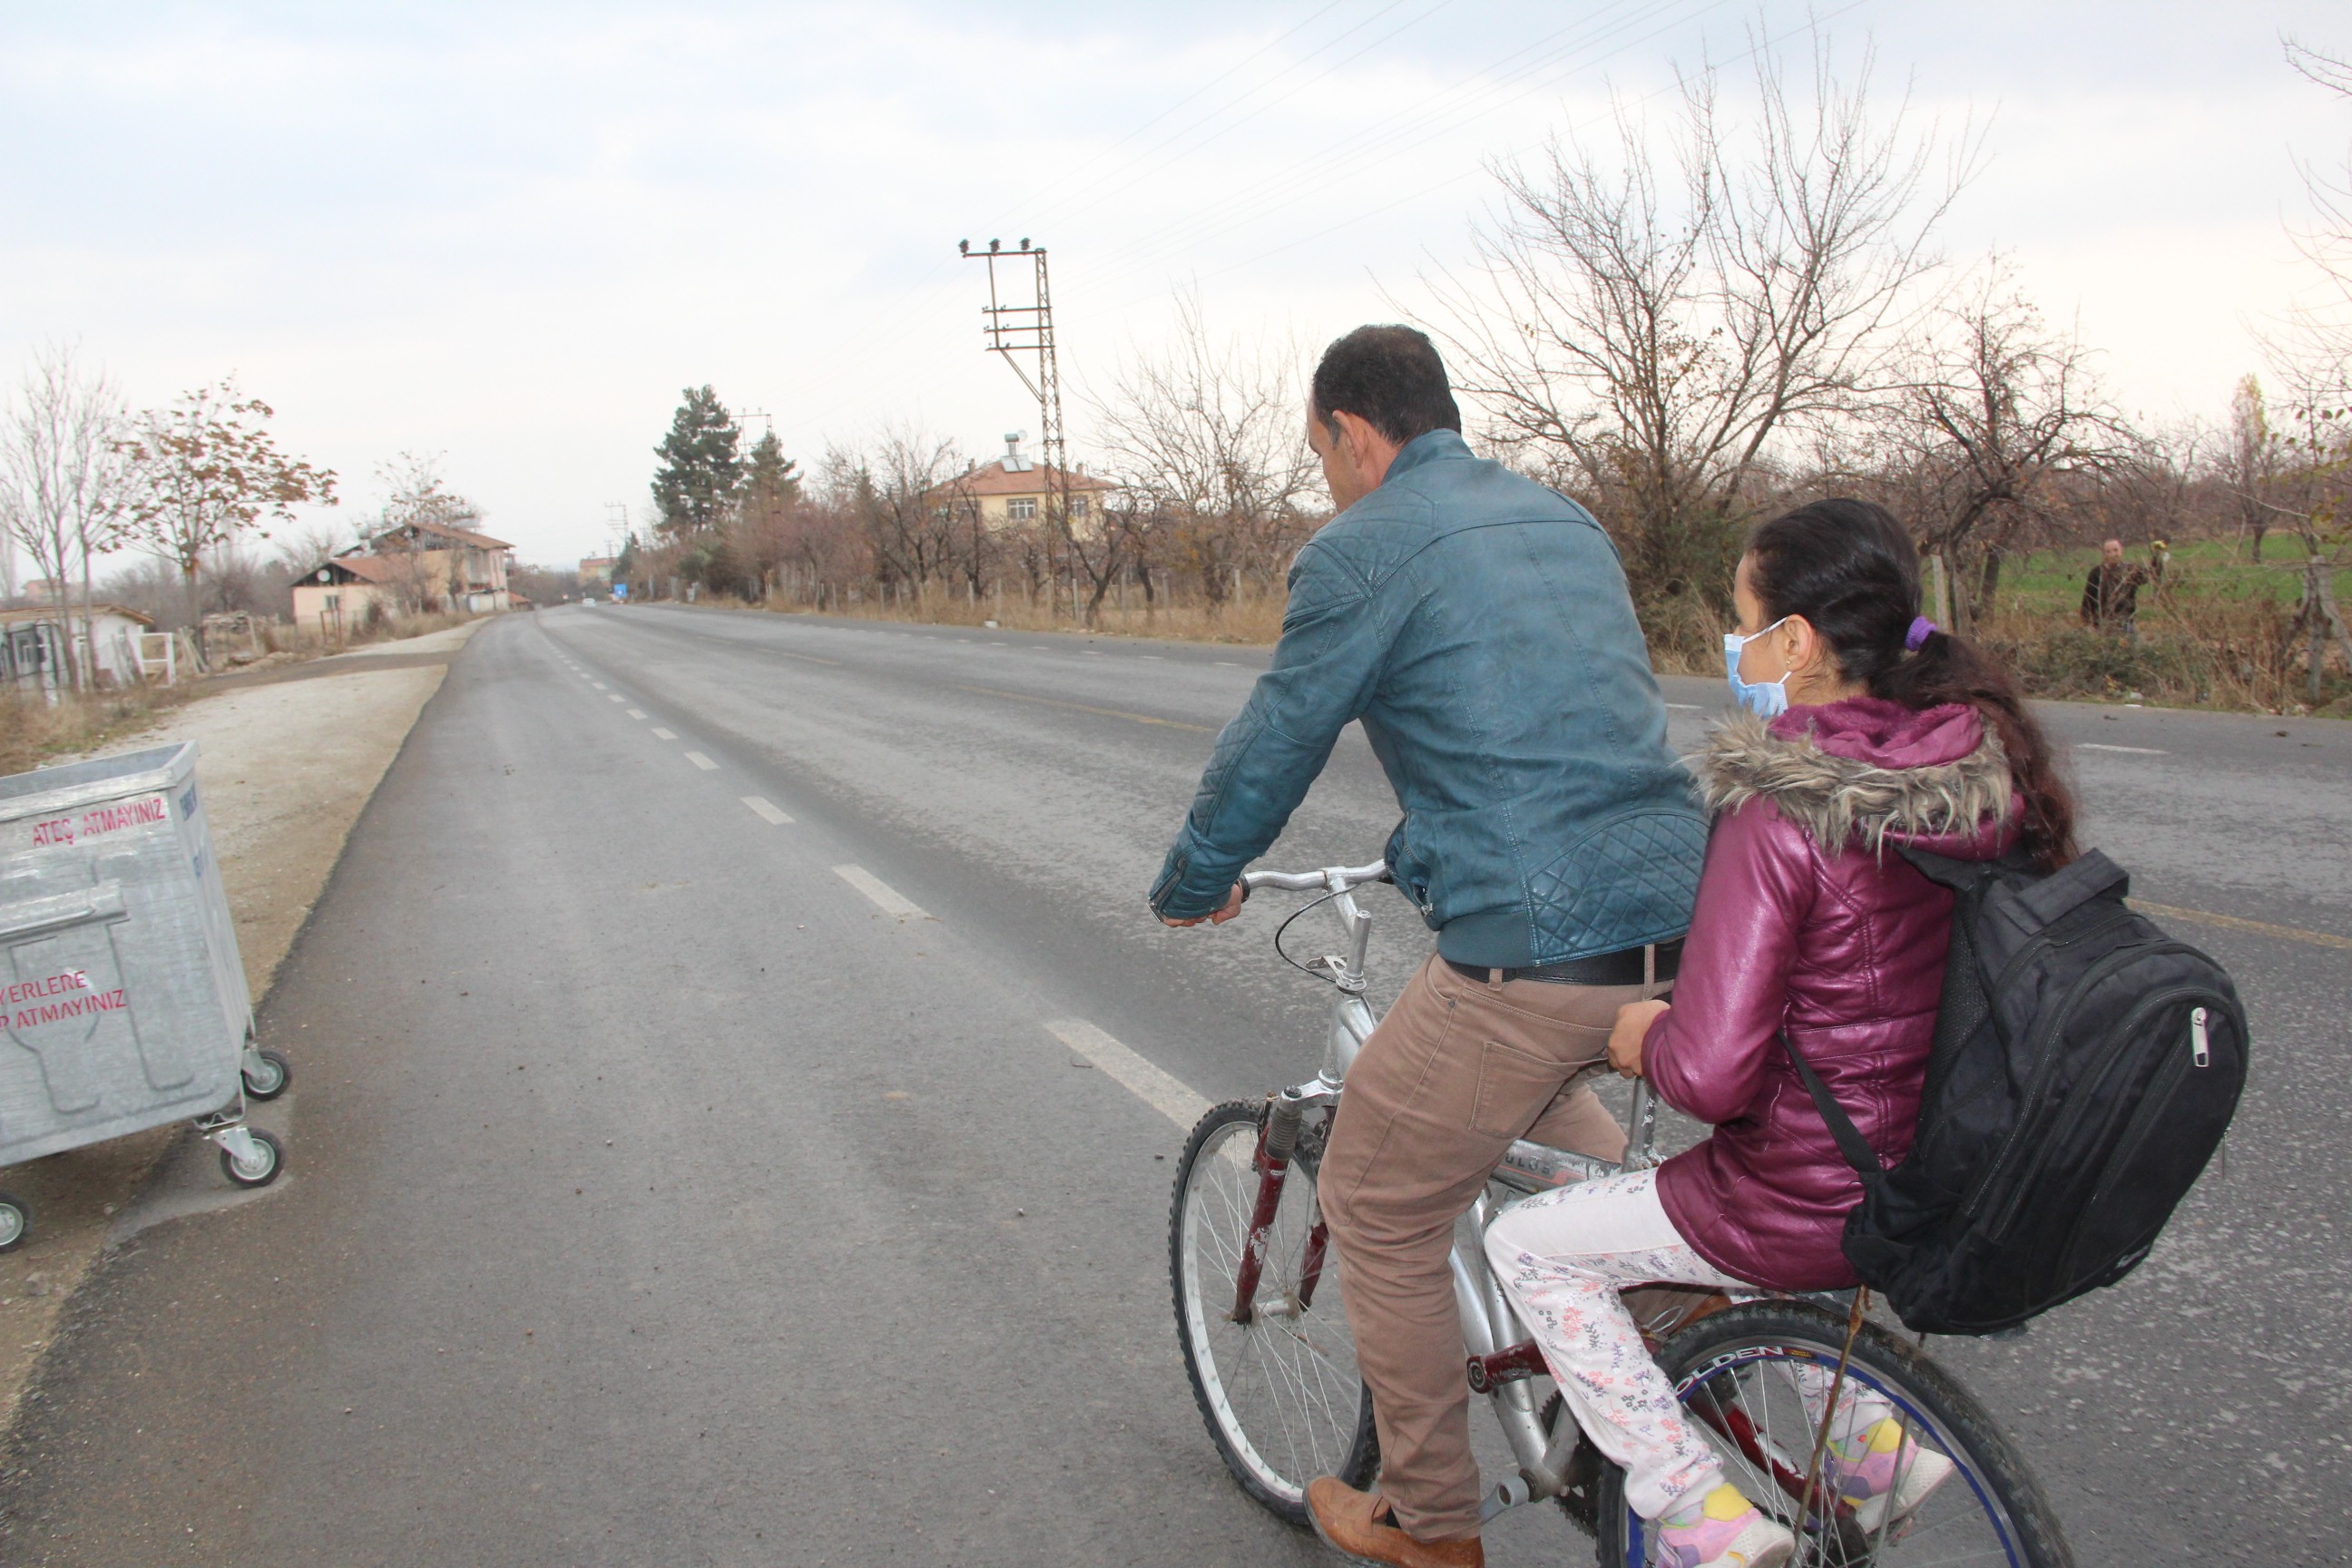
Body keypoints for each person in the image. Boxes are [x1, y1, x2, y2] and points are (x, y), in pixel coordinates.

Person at [1150, 325, 1706, 1568]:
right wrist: (1418, 853)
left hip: (1538, 950)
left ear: (1354, 433)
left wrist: (1195, 881)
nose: (1329, 483)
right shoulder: (1567, 522)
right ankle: (1710, 1378)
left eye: (1324, 456)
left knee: (1377, 1204)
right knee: (1581, 1165)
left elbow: (1276, 741)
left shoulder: (1365, 547)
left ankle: (1425, 1522)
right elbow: (1539, 730)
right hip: (1681, 921)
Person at [1484, 498, 2077, 1568]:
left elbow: (1710, 1073)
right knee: (1745, 1194)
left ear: (1797, 642)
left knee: (1527, 1246)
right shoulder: (1971, 768)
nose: (1737, 647)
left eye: (1744, 619)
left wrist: (1641, 1039)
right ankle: (1871, 1452)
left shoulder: (1783, 809)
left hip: (1813, 1189)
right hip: (1933, 1165)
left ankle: (1693, 1512)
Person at [2080, 537, 2151, 632]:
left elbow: (2147, 578)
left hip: (2126, 621)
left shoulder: (2130, 570)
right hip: (2103, 622)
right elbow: (2088, 599)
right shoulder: (2096, 573)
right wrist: (2088, 622)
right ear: (2104, 555)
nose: (2113, 554)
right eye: (2108, 551)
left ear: (2121, 551)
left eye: (2116, 550)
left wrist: (2156, 558)